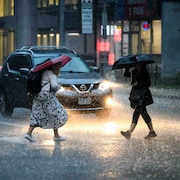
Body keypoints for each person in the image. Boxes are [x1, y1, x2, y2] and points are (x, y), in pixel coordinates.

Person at [24, 62, 68, 142]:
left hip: (38, 95)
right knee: (56, 112)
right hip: (47, 95)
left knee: (37, 113)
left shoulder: (42, 72)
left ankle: (29, 133)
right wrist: (59, 86)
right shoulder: (52, 74)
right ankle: (56, 135)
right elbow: (54, 86)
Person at [121, 63, 157, 140]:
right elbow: (126, 74)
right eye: (136, 64)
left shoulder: (144, 72)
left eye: (138, 64)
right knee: (144, 114)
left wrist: (138, 84)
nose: (137, 65)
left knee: (137, 112)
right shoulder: (134, 71)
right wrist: (128, 66)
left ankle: (129, 132)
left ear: (141, 64)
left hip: (143, 96)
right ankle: (152, 132)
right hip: (136, 95)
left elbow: (148, 84)